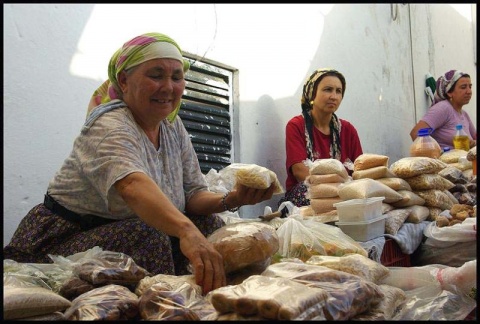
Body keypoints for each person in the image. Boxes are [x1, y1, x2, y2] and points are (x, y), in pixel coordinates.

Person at [3, 32, 275, 294]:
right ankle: (166, 306)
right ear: (124, 81)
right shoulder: (109, 124)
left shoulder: (172, 126)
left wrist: (233, 198)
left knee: (211, 227)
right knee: (149, 236)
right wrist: (185, 231)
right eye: (156, 75)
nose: (168, 87)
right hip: (61, 240)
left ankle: (213, 299)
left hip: (121, 231)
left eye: (177, 77)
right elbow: (132, 185)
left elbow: (193, 194)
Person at [280, 68, 363, 208]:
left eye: (338, 91)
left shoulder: (348, 130)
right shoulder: (296, 125)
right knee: (305, 190)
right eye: (328, 89)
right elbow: (300, 172)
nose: (334, 96)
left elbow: (360, 169)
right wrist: (336, 187)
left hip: (343, 193)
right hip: (308, 193)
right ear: (312, 94)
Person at [410, 69, 477, 150]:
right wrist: (435, 155)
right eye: (463, 87)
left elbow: (475, 137)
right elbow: (416, 133)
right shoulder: (443, 108)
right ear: (449, 92)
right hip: (444, 161)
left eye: (470, 86)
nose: (469, 91)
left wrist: (472, 143)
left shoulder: (464, 114)